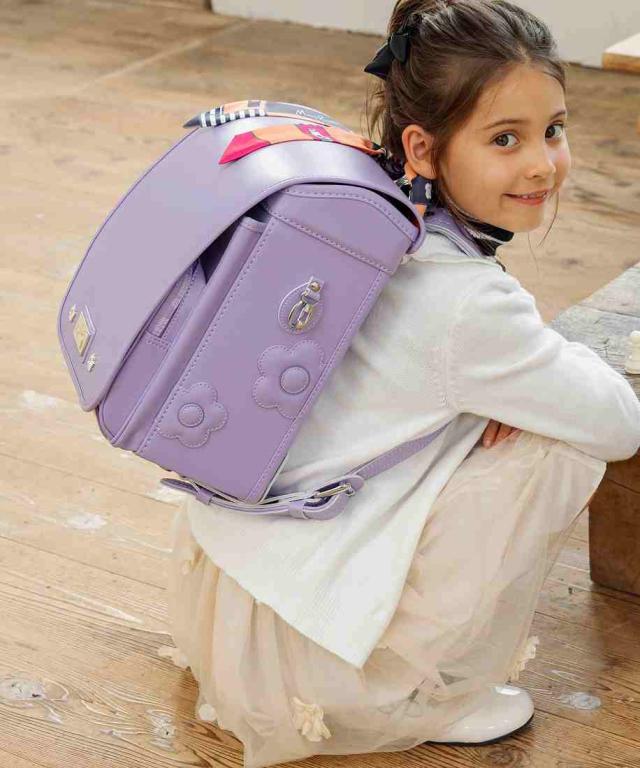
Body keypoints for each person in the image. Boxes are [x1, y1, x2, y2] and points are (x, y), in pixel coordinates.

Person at [159, 1, 640, 766]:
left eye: (553, 129)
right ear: (423, 146)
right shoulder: (466, 302)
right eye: (505, 138)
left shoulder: (373, 208)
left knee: (518, 407)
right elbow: (619, 422)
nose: (542, 163)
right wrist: (536, 385)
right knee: (562, 443)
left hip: (238, 585)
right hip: (302, 651)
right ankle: (415, 693)